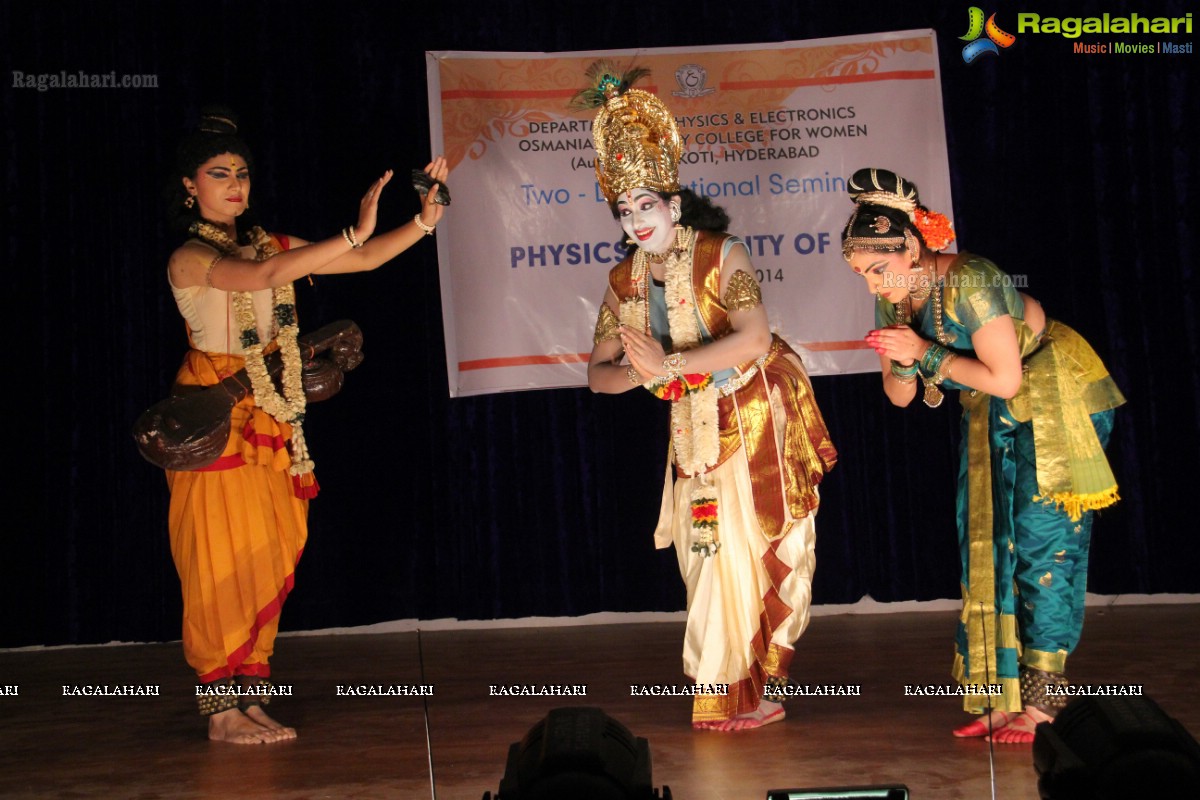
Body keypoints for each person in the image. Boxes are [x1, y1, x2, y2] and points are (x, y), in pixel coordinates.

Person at [164, 107, 448, 744]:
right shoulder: (189, 257)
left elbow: (368, 260)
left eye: (242, 173)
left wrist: (422, 223)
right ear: (190, 186)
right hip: (216, 412)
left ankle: (251, 694)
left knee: (269, 548)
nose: (235, 185)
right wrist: (349, 233)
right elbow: (265, 279)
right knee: (219, 557)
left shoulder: (271, 244)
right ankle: (219, 709)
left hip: (271, 411)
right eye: (218, 174)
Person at [578, 65, 837, 732]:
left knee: (761, 550)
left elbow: (753, 338)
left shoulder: (723, 254)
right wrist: (643, 374)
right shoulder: (625, 282)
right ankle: (722, 687)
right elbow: (598, 374)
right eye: (624, 209)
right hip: (692, 426)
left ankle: (757, 687)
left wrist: (669, 363)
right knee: (705, 555)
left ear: (673, 202)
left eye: (646, 204)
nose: (636, 220)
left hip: (757, 416)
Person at [841, 167, 1125, 743]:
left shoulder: (972, 280)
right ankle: (1004, 695)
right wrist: (903, 352)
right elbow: (898, 398)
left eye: (879, 270)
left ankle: (1044, 705)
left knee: (1044, 541)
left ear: (913, 247)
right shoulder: (893, 299)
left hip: (1054, 393)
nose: (872, 285)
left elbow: (1006, 378)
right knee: (992, 543)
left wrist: (924, 352)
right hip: (994, 406)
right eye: (860, 275)